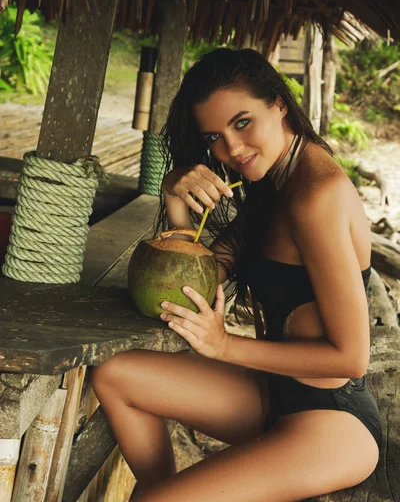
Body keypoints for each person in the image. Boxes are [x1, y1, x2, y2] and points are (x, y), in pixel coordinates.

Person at [91, 48, 382, 501]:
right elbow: (197, 282)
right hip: (272, 395)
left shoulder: (316, 196)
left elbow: (350, 359)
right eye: (214, 137)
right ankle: (163, 488)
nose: (231, 149)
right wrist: (173, 194)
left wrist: (224, 346)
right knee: (113, 375)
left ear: (279, 104)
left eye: (242, 123)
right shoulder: (275, 185)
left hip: (332, 421)